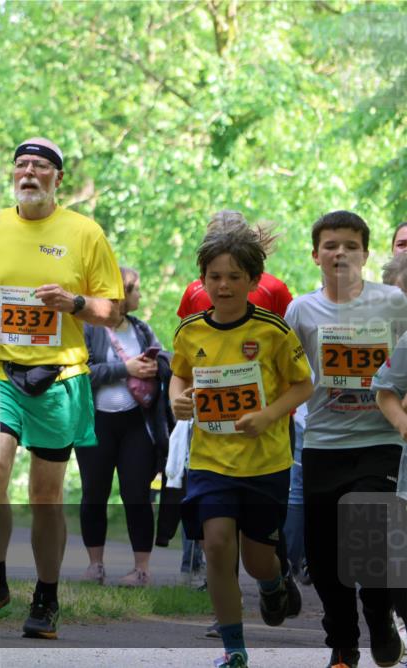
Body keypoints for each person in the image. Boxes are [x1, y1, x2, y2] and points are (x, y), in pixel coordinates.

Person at [0, 137, 123, 639]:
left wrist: (75, 303)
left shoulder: (85, 233)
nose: (28, 172)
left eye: (39, 166)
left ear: (58, 178)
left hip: (59, 378)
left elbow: (113, 310)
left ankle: (46, 597)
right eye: (21, 165)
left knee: (45, 495)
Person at [170, 222, 313, 668]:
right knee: (216, 545)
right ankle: (234, 650)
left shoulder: (273, 331)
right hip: (211, 461)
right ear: (202, 281)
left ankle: (274, 584)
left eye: (234, 276)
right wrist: (177, 398)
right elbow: (179, 374)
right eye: (215, 276)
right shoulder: (190, 330)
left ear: (253, 281)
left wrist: (269, 415)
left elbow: (303, 385)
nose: (224, 285)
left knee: (257, 560)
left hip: (264, 463)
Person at [285, 210, 407, 668]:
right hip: (322, 442)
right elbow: (285, 373)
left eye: (351, 246)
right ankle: (342, 641)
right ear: (315, 254)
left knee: (371, 537)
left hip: (381, 440)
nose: (341, 253)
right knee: (325, 556)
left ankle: (378, 617)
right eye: (331, 245)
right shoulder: (301, 311)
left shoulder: (393, 303)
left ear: (366, 254)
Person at [78, 266, 172, 586]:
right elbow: (82, 371)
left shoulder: (141, 329)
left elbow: (165, 360)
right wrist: (125, 368)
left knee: (137, 494)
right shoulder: (89, 328)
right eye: (136, 290)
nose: (140, 296)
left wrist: (155, 364)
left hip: (137, 424)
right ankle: (95, 565)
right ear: (120, 294)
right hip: (97, 423)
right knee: (94, 492)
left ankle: (141, 569)